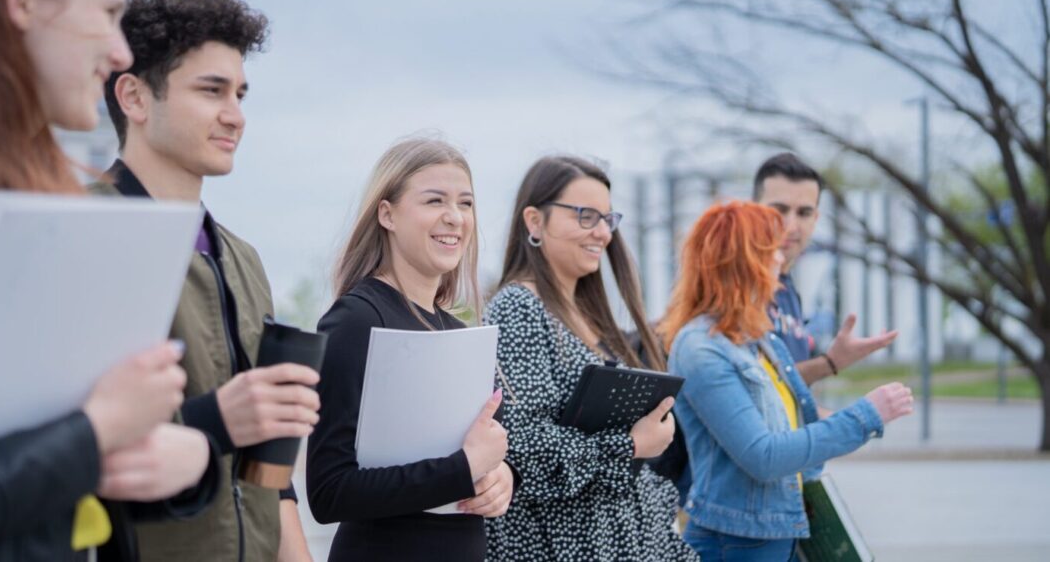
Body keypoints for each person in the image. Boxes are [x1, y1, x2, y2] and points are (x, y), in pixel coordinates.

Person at [0, 0, 210, 560]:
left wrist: (189, 460)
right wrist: (93, 436)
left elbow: (32, 471)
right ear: (23, 3)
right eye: (106, 14)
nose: (121, 52)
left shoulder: (32, 195)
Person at [92, 0, 322, 560]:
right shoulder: (80, 233)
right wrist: (216, 420)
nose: (236, 115)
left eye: (240, 94)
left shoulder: (244, 259)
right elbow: (62, 444)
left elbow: (272, 469)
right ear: (135, 96)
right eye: (211, 90)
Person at [660, 200, 914, 561]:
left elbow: (787, 427)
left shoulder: (757, 337)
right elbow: (764, 456)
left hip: (776, 531)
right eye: (772, 252)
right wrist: (865, 416)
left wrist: (833, 367)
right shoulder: (700, 347)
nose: (781, 261)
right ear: (744, 261)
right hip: (735, 542)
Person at [306, 138, 515, 562]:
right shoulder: (355, 321)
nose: (454, 218)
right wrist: (463, 469)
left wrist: (502, 479)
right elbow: (329, 492)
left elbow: (484, 458)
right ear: (388, 214)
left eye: (466, 203)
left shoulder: (459, 331)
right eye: (434, 200)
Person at [484, 156, 697, 561]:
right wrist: (632, 445)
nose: (602, 232)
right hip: (555, 546)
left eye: (607, 218)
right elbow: (524, 447)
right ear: (534, 222)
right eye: (585, 216)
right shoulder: (518, 308)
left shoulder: (589, 317)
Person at [752, 153, 898, 386]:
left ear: (816, 218)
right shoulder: (736, 285)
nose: (791, 226)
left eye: (804, 213)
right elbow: (755, 386)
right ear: (751, 210)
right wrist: (830, 363)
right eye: (779, 210)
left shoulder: (788, 289)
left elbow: (787, 400)